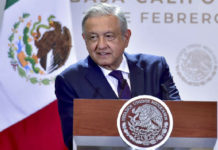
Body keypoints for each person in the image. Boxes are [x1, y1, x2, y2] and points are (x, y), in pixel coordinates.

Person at [55, 3, 180, 149]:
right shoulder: (70, 80)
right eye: (93, 37)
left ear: (126, 37)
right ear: (85, 40)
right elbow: (74, 140)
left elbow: (179, 122)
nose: (101, 45)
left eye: (109, 36)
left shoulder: (155, 68)